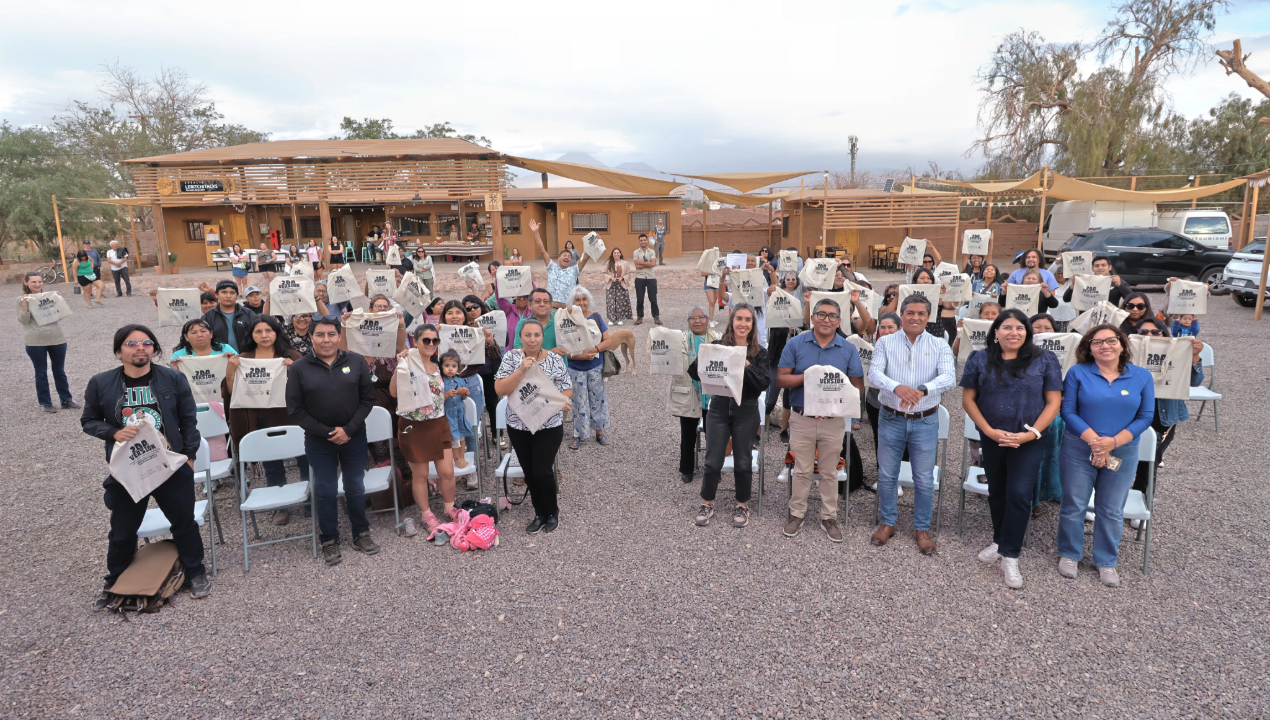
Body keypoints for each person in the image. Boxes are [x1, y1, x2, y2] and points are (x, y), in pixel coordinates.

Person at [81, 324, 209, 608]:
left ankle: (195, 572)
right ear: (119, 352)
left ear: (154, 349)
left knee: (183, 524)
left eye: (147, 343)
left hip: (170, 464)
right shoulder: (100, 383)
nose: (140, 348)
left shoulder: (173, 378)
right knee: (122, 530)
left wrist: (188, 459)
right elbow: (88, 421)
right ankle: (115, 581)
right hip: (129, 467)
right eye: (132, 343)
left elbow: (188, 420)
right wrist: (113, 432)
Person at [960, 308, 1063, 588]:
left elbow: (1054, 401)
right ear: (996, 332)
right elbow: (968, 400)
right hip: (993, 437)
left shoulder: (1044, 360)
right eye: (1007, 327)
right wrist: (989, 431)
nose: (1013, 332)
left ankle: (1010, 555)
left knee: (1019, 494)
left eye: (1020, 327)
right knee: (997, 491)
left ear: (1027, 332)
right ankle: (999, 540)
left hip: (1029, 439)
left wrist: (1031, 434)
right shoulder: (979, 359)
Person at [1056, 324, 1153, 588]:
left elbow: (1146, 416)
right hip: (1079, 447)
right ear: (1089, 348)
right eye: (1097, 342)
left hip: (1122, 449)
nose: (1105, 346)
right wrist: (1096, 442)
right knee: (1074, 503)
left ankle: (1106, 560)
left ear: (1122, 344)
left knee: (1111, 508)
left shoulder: (1142, 376)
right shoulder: (1077, 373)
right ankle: (1069, 554)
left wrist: (1112, 442)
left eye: (1111, 340)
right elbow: (1068, 411)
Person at [285, 316, 379, 566]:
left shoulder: (356, 361)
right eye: (320, 334)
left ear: (339, 336)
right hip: (319, 441)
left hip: (354, 437)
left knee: (355, 486)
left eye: (331, 334)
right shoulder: (299, 368)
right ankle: (329, 539)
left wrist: (348, 429)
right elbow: (295, 410)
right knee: (325, 490)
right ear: (311, 337)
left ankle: (361, 533)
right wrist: (328, 432)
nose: (326, 340)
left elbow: (367, 400)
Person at [868, 294, 957, 553]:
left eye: (921, 313)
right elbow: (874, 373)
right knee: (887, 475)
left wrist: (922, 389)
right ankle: (888, 522)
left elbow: (949, 377)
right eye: (910, 313)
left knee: (924, 478)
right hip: (890, 417)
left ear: (929, 317)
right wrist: (896, 387)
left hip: (925, 420)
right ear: (902, 315)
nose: (915, 317)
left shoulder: (939, 344)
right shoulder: (885, 342)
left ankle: (922, 528)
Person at [777, 299, 865, 541]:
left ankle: (829, 517)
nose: (827, 319)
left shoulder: (848, 349)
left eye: (832, 316)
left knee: (829, 471)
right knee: (801, 470)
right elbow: (781, 379)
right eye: (822, 314)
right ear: (813, 317)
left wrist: (837, 402)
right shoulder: (796, 343)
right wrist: (809, 376)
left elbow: (858, 388)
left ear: (839, 321)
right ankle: (797, 514)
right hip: (802, 418)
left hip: (833, 421)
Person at [688, 304, 769, 529]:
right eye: (739, 319)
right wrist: (705, 356)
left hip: (747, 410)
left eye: (747, 320)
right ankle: (706, 503)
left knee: (743, 461)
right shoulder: (717, 346)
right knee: (713, 460)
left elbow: (763, 383)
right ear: (732, 322)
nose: (743, 323)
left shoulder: (760, 353)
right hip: (719, 408)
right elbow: (694, 372)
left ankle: (742, 504)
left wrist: (745, 363)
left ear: (753, 325)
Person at [224, 316, 307, 523]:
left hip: (292, 417)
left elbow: (309, 387)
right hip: (260, 418)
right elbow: (233, 394)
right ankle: (280, 506)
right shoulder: (243, 359)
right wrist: (230, 372)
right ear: (251, 335)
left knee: (305, 458)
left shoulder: (292, 355)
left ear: (276, 332)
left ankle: (310, 498)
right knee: (272, 463)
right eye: (258, 331)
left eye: (268, 330)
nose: (264, 335)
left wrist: (295, 372)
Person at [495, 318, 574, 533]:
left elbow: (567, 388)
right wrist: (521, 370)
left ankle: (552, 512)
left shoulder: (554, 359)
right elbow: (500, 389)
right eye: (527, 335)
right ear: (520, 337)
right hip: (518, 426)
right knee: (529, 472)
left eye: (537, 335)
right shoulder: (511, 358)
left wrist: (564, 400)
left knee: (542, 471)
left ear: (542, 337)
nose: (532, 339)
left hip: (549, 424)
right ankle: (539, 513)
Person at [390, 325, 459, 526]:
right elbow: (394, 392)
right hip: (413, 426)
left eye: (435, 340)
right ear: (416, 341)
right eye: (426, 340)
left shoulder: (436, 365)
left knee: (447, 472)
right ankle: (426, 514)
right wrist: (399, 366)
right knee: (421, 475)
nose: (431, 344)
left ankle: (449, 508)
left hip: (438, 423)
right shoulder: (407, 362)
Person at [1130, 317, 1204, 501]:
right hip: (1131, 414)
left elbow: (1195, 382)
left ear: (1164, 333)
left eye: (1156, 332)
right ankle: (1115, 500)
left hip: (1164, 416)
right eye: (1143, 332)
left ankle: (1142, 502)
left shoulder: (1177, 351)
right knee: (1123, 460)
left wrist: (1194, 356)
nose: (1150, 335)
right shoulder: (1127, 351)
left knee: (1148, 462)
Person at [18, 271, 78, 413]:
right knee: (41, 372)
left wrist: (58, 302)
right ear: (26, 283)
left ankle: (66, 400)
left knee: (59, 371)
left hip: (57, 338)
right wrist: (25, 306)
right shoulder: (21, 300)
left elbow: (57, 316)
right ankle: (46, 402)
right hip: (35, 341)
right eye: (33, 282)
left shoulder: (49, 297)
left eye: (39, 281)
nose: (37, 284)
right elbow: (24, 321)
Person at [672, 307, 720, 483]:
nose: (697, 321)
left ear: (707, 320)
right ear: (688, 321)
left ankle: (714, 469)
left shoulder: (718, 338)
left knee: (713, 434)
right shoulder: (680, 340)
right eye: (693, 318)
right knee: (687, 433)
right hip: (689, 391)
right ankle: (687, 469)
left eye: (701, 317)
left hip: (713, 394)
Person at [563, 286, 611, 450]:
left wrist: (595, 349)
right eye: (578, 300)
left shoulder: (596, 317)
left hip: (595, 365)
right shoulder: (566, 320)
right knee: (578, 401)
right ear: (572, 302)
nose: (581, 303)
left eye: (584, 299)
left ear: (588, 300)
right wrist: (578, 356)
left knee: (598, 399)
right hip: (575, 366)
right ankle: (577, 434)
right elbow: (563, 346)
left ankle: (600, 431)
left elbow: (607, 340)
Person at [863, 313, 900, 472]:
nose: (886, 331)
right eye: (882, 327)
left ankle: (901, 474)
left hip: (898, 403)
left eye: (890, 327)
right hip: (875, 401)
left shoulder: (908, 348)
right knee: (880, 439)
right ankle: (882, 473)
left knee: (901, 440)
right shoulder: (871, 348)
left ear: (899, 328)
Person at [529, 219, 590, 307]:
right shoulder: (552, 267)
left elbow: (585, 258)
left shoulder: (574, 270)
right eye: (564, 255)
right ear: (559, 258)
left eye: (569, 256)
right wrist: (536, 232)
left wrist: (594, 242)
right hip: (551, 309)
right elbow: (542, 250)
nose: (567, 257)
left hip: (568, 310)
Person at [437, 350, 476, 470]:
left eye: (454, 366)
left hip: (459, 415)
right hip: (448, 415)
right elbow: (437, 400)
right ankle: (457, 459)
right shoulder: (440, 382)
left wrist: (464, 394)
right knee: (454, 439)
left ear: (458, 368)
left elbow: (463, 398)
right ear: (441, 366)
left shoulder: (460, 381)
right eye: (447, 365)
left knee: (462, 437)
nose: (450, 369)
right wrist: (447, 394)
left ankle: (462, 456)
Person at [201, 280, 256, 353]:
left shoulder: (248, 314)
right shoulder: (208, 316)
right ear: (216, 295)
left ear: (237, 295)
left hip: (245, 357)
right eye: (224, 292)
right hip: (219, 357)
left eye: (232, 293)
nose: (228, 296)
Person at [1061, 255, 1133, 307]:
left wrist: (1120, 285)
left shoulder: (1116, 281)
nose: (1100, 268)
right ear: (1092, 268)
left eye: (1103, 265)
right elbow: (1066, 299)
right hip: (1087, 318)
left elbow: (1131, 299)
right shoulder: (1085, 281)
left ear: (1110, 267)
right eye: (1097, 266)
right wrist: (1073, 286)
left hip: (1108, 318)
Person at [513, 288, 562, 354]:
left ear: (551, 306)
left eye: (546, 301)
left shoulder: (561, 321)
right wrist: (548, 354)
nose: (542, 304)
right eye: (537, 301)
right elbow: (518, 351)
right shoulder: (522, 324)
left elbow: (572, 349)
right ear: (529, 305)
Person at [169, 318, 234, 363]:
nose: (199, 335)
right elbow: (170, 376)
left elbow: (239, 368)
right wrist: (175, 370)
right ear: (186, 337)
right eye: (194, 332)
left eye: (203, 331)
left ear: (211, 334)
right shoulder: (179, 356)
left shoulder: (225, 349)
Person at [909, 267, 946, 339]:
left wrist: (942, 296)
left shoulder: (938, 294)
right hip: (915, 329)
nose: (926, 281)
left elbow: (950, 306)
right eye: (922, 278)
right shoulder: (909, 294)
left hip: (935, 330)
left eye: (929, 278)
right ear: (916, 280)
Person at [633, 234, 661, 325]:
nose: (643, 242)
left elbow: (653, 264)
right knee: (640, 299)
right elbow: (637, 266)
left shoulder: (652, 252)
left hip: (651, 277)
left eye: (644, 240)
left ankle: (656, 317)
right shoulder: (636, 252)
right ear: (639, 242)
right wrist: (648, 264)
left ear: (647, 241)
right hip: (640, 277)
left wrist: (641, 262)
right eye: (641, 240)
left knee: (653, 299)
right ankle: (639, 317)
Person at [604, 247, 633, 326]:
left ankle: (620, 318)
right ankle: (611, 319)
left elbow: (629, 273)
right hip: (611, 285)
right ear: (612, 254)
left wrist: (623, 278)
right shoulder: (608, 263)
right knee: (611, 302)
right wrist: (610, 278)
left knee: (620, 302)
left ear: (620, 254)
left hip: (621, 285)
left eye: (617, 253)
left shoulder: (625, 263)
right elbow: (604, 273)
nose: (616, 254)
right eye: (615, 253)